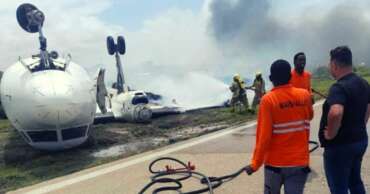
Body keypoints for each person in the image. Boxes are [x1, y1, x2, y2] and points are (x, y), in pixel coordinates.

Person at [245, 59, 313, 194]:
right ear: (290, 76)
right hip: (299, 162)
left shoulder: (268, 100)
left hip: (275, 165)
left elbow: (264, 137)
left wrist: (255, 164)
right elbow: (309, 116)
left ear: (270, 78)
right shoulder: (305, 95)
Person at [319, 46, 369, 194]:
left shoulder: (338, 87)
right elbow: (368, 106)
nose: (329, 67)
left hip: (340, 146)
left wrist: (330, 134)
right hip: (359, 140)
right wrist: (361, 124)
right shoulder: (363, 83)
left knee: (338, 188)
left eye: (330, 64)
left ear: (334, 65)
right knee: (355, 182)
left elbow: (336, 112)